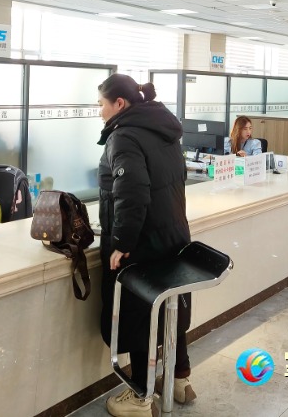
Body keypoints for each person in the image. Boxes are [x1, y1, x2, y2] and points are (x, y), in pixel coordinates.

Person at [95, 73, 194, 417]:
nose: (99, 112)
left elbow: (132, 192)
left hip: (143, 240)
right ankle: (180, 379)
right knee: (171, 306)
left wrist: (121, 242)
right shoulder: (164, 128)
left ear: (119, 103)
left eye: (101, 105)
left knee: (140, 314)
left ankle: (141, 396)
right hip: (173, 234)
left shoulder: (124, 136)